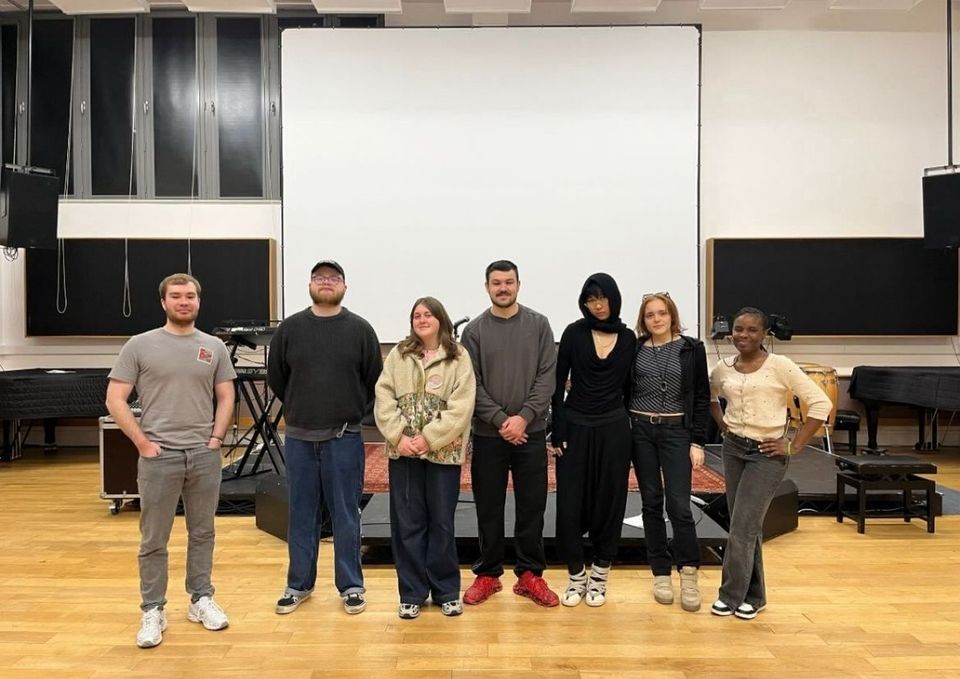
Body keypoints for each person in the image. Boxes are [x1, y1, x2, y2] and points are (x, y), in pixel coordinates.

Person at [105, 273, 236, 649]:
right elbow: (115, 399)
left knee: (203, 532)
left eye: (190, 296)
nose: (183, 301)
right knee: (153, 538)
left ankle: (201, 599)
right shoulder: (140, 345)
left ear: (199, 301)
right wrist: (142, 443)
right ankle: (153, 609)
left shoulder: (213, 347)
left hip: (203, 456)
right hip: (159, 457)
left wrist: (216, 439)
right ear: (163, 302)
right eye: (176, 296)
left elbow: (226, 396)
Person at [267, 260, 382, 616]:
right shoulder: (290, 329)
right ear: (310, 285)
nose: (326, 282)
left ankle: (351, 585)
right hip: (300, 440)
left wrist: (350, 415)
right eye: (320, 277)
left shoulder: (360, 330)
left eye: (333, 278)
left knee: (346, 513)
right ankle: (298, 584)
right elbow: (277, 378)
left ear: (345, 286)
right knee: (301, 513)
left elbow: (373, 380)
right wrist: (303, 409)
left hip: (344, 439)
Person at [709, 307, 831, 620]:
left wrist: (793, 445)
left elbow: (822, 404)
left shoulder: (780, 365)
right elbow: (709, 397)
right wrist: (722, 424)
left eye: (752, 330)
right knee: (745, 526)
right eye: (738, 329)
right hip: (733, 450)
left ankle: (730, 595)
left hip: (767, 454)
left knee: (742, 526)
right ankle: (755, 596)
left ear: (765, 334)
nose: (743, 335)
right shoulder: (723, 368)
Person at [460, 260, 559, 607]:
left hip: (531, 434)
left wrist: (524, 418)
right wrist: (503, 421)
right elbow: (471, 383)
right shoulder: (474, 331)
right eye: (497, 283)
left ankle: (530, 575)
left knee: (532, 506)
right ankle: (488, 574)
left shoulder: (539, 325)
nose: (503, 288)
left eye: (509, 282)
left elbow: (547, 378)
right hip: (489, 436)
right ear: (487, 286)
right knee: (489, 506)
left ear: (519, 284)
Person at [374, 297, 476, 620]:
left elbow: (462, 406)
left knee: (441, 523)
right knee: (407, 523)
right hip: (404, 453)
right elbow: (383, 396)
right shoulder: (398, 355)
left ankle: (446, 591)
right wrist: (399, 436)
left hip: (443, 453)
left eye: (428, 314)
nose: (422, 319)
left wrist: (429, 438)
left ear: (440, 319)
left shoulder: (458, 357)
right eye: (416, 315)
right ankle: (411, 593)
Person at [550, 273, 635, 608]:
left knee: (610, 500)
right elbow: (557, 384)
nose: (597, 305)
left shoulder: (628, 338)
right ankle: (575, 576)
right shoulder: (574, 333)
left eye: (602, 298)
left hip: (614, 428)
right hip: (575, 426)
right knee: (570, 503)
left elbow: (630, 388)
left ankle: (600, 574)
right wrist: (558, 430)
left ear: (613, 298)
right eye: (590, 299)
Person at [629, 292, 710, 612]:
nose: (657, 319)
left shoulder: (691, 349)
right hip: (641, 431)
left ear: (672, 315)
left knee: (679, 505)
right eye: (650, 315)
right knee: (651, 503)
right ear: (643, 320)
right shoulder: (635, 348)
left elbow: (701, 396)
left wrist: (697, 441)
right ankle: (660, 573)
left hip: (677, 431)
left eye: (662, 313)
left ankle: (688, 574)